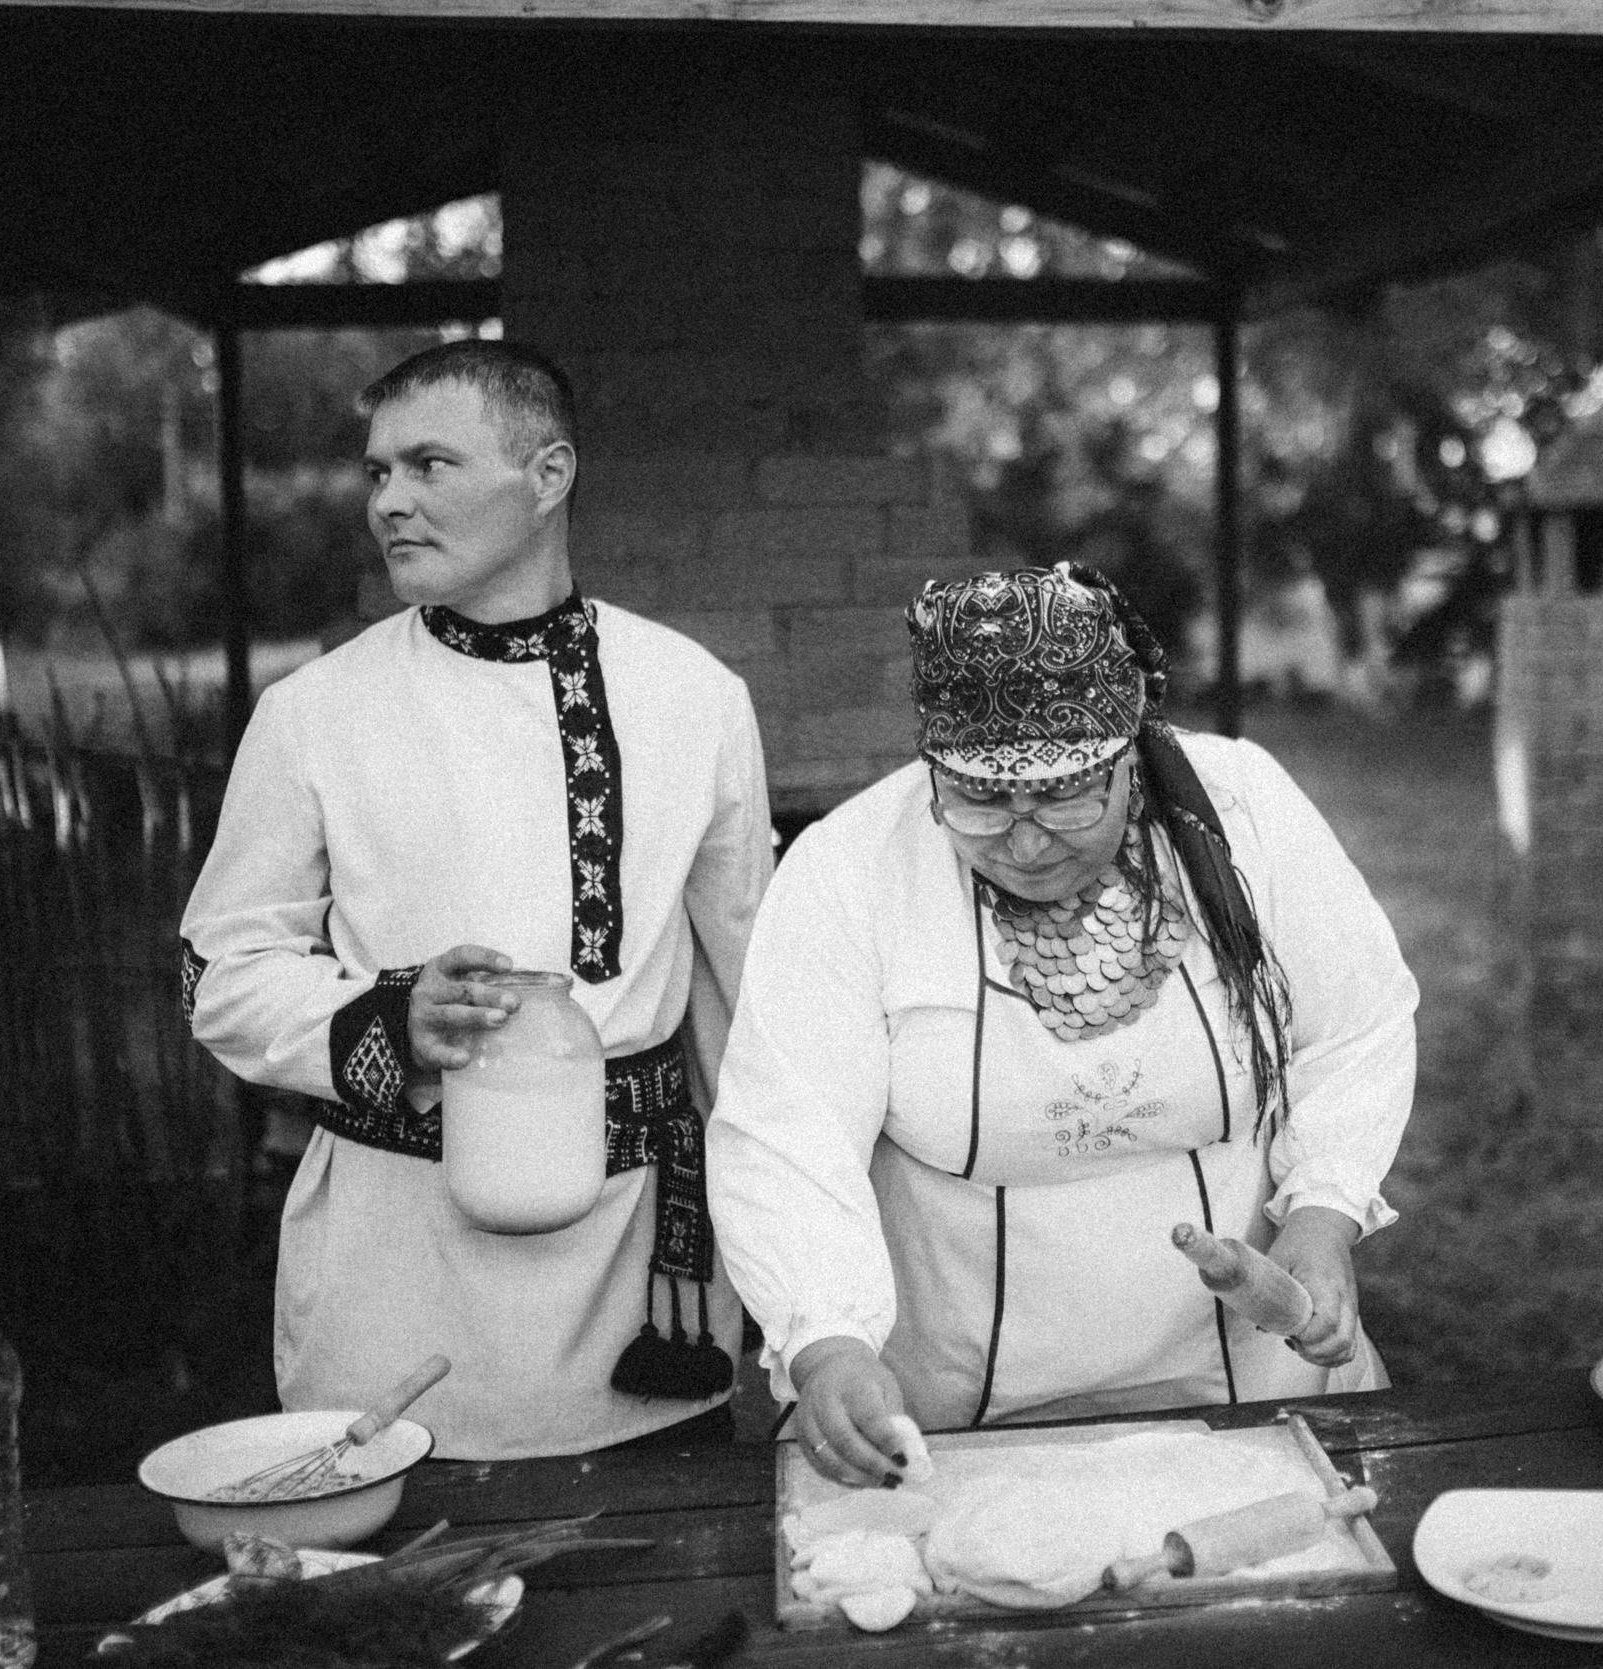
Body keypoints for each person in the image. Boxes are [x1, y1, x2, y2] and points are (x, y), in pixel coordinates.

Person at [181, 340, 773, 1456]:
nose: (390, 503)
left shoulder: (693, 696)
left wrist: (791, 1272)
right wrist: (386, 1017)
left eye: (430, 465)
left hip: (638, 1287)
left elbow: (750, 1001)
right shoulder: (315, 712)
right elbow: (219, 971)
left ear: (547, 476)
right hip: (397, 1279)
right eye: (377, 473)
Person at [707, 564, 1418, 1485]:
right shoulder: (851, 869)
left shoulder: (1243, 809)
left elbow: (1355, 1024)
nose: (1028, 838)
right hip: (956, 1416)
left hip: (1254, 1384)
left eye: (1068, 795)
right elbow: (785, 1133)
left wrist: (1322, 1216)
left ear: (1131, 752)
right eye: (982, 801)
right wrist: (827, 1342)